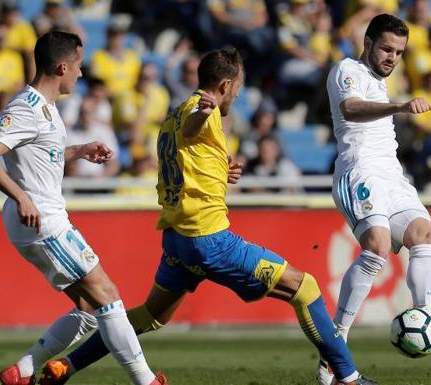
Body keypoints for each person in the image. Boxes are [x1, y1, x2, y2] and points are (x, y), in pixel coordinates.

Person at [39, 47, 376, 385]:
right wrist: (204, 112)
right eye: (238, 88)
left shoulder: (170, 116)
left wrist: (219, 171)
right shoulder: (202, 111)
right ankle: (348, 378)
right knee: (305, 288)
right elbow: (192, 127)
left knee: (151, 315)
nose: (239, 95)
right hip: (208, 238)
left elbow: (184, 154)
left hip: (177, 240)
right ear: (226, 84)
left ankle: (66, 366)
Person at [0, 31, 167, 385]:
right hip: (41, 220)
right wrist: (21, 196)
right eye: (78, 65)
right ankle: (147, 381)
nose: (80, 73)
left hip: (41, 218)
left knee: (91, 309)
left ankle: (23, 371)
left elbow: (36, 155)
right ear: (62, 66)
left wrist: (78, 151)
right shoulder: (26, 107)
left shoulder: (45, 109)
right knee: (108, 295)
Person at [318, 14, 431, 385]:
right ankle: (336, 346)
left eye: (399, 52)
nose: (392, 57)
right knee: (377, 247)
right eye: (386, 48)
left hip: (392, 176)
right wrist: (398, 107)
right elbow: (351, 109)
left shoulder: (383, 82)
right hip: (358, 171)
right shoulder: (346, 70)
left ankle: (427, 320)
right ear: (367, 43)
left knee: (424, 235)